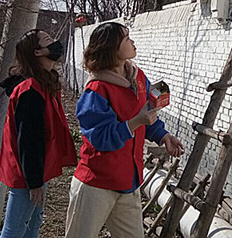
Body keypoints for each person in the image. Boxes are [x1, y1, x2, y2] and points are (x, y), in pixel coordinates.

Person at [65, 22, 185, 238]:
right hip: (96, 184)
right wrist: (133, 123)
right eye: (127, 38)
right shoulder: (96, 91)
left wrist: (163, 135)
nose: (133, 41)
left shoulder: (138, 78)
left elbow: (147, 113)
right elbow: (99, 139)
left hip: (128, 181)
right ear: (112, 48)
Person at [0, 29, 77, 238]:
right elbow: (28, 140)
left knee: (31, 225)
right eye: (48, 40)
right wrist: (34, 181)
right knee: (15, 229)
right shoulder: (30, 90)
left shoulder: (44, 83)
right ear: (38, 52)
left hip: (37, 169)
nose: (55, 44)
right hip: (27, 172)